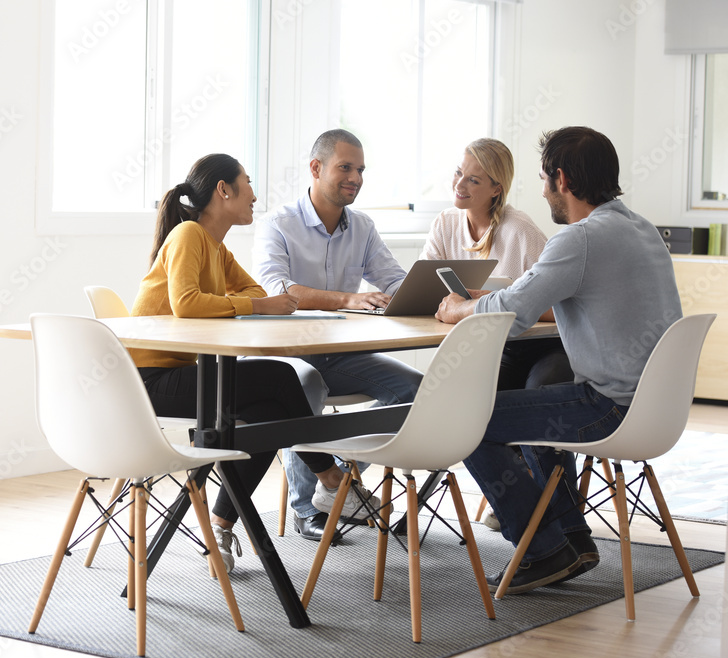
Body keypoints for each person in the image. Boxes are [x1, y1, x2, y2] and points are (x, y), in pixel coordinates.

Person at [435, 126, 683, 594]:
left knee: (462, 418)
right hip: (656, 408)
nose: (544, 189)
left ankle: (543, 549)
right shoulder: (641, 228)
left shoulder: (580, 240)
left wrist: (458, 308)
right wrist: (491, 297)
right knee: (539, 407)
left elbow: (509, 316)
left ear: (562, 180)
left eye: (545, 178)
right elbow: (526, 297)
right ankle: (572, 539)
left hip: (609, 407)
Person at [130, 153, 365, 573]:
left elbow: (258, 291)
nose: (255, 195)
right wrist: (258, 304)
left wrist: (259, 302)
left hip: (185, 374)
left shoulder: (215, 248)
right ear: (224, 190)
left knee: (269, 413)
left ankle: (220, 523)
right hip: (150, 380)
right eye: (248, 182)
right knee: (277, 377)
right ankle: (331, 477)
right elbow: (187, 305)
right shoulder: (188, 235)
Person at [252, 129, 422, 541]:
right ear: (316, 168)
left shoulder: (362, 226)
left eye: (360, 169)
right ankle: (307, 507)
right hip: (286, 356)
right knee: (301, 390)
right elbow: (277, 289)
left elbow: (394, 279)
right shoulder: (278, 224)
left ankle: (340, 480)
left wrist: (426, 294)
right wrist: (348, 298)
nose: (356, 178)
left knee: (417, 391)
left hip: (341, 355)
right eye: (345, 167)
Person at [422, 138, 574, 531]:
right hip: (493, 347)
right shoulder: (445, 224)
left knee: (539, 397)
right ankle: (523, 501)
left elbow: (560, 307)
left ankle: (556, 520)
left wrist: (495, 300)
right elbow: (426, 293)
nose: (460, 185)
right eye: (459, 173)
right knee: (463, 407)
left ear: (495, 189)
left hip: (542, 347)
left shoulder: (520, 231)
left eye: (473, 180)